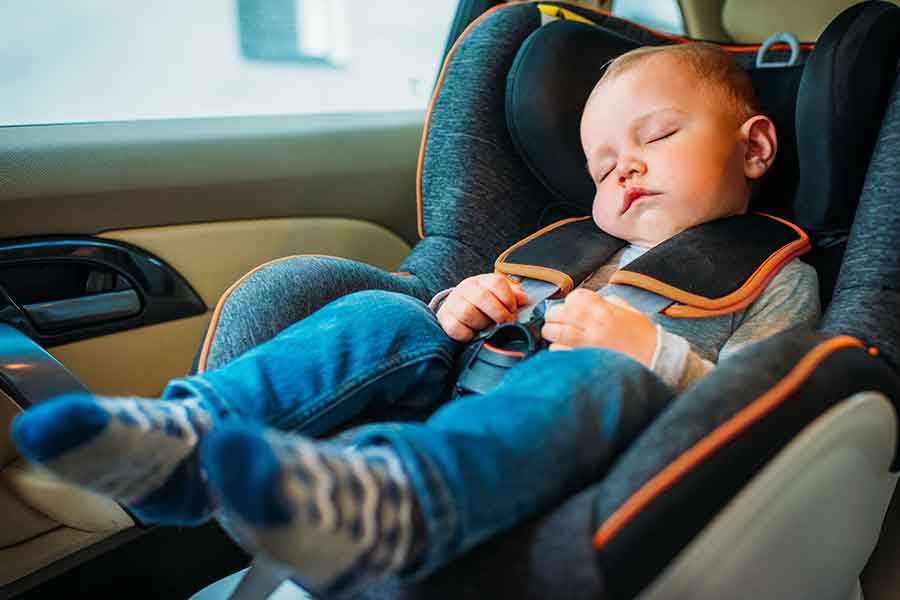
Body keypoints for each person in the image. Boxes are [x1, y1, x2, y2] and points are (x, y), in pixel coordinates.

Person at [12, 43, 819, 596]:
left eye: (660, 136)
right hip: (451, 407)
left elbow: (773, 414)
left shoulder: (776, 279)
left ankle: (398, 503)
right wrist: (457, 309)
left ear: (753, 149)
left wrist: (652, 353)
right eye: (604, 167)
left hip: (605, 457)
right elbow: (449, 329)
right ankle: (186, 442)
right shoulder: (566, 250)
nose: (627, 167)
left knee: (593, 373)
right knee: (381, 314)